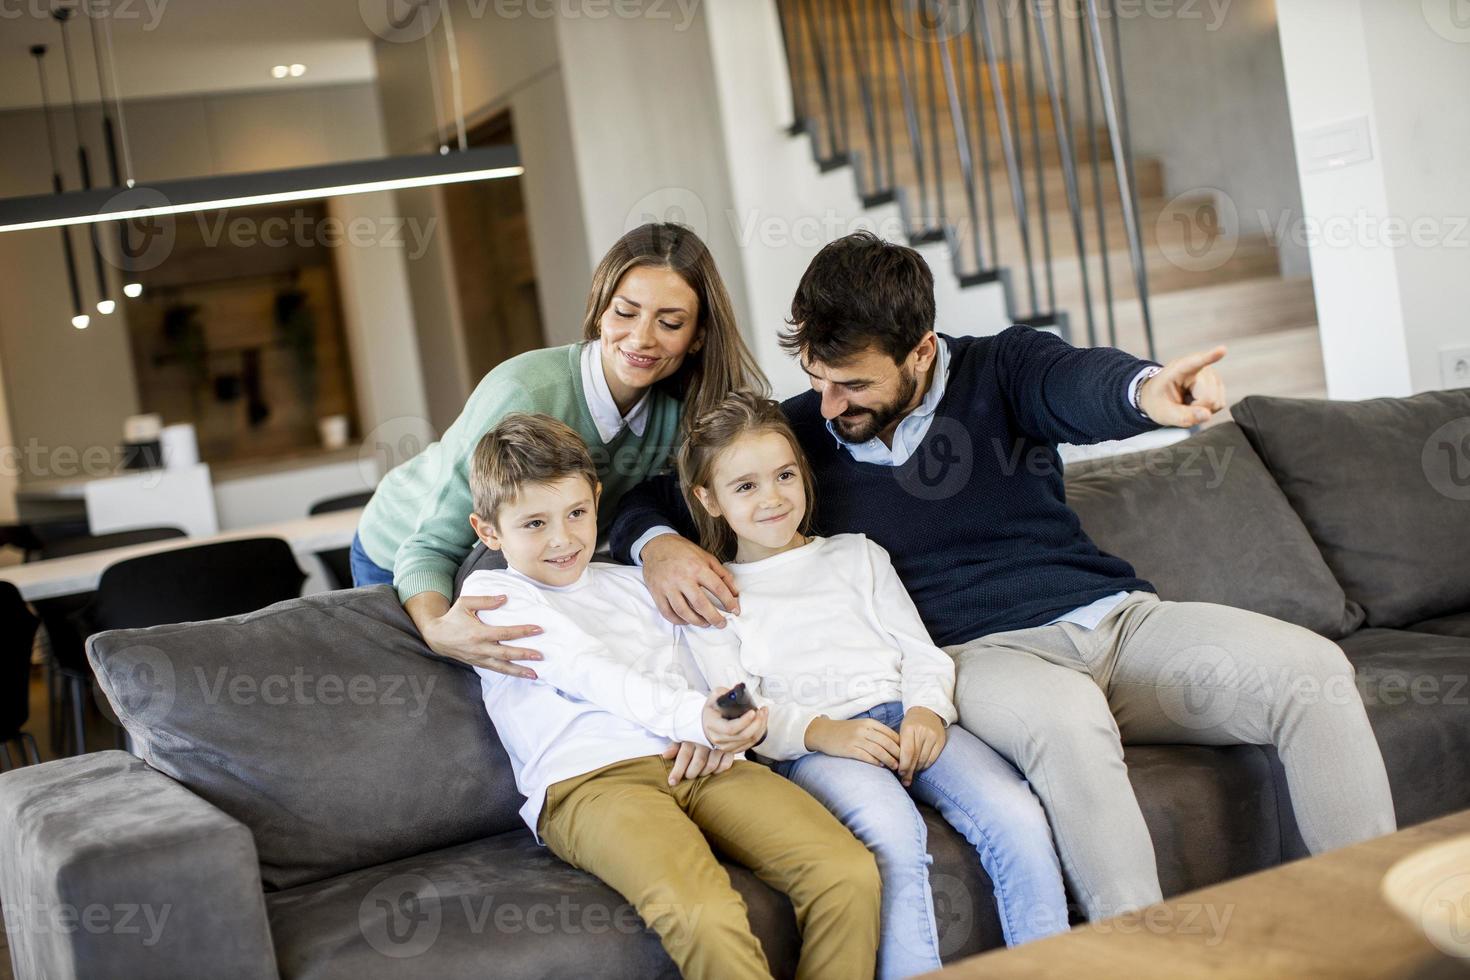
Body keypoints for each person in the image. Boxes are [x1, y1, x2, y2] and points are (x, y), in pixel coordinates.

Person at [610, 231, 1397, 922]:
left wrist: (1147, 392)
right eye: (817, 377)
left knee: (1314, 672)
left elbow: (1080, 383)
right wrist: (657, 544)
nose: (827, 402)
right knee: (1067, 722)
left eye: (852, 384)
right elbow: (655, 494)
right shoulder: (807, 432)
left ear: (919, 351)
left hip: (1118, 623)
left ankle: (1382, 927)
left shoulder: (1002, 369)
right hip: (986, 657)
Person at [460, 413, 880, 980]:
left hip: (701, 760)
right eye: (534, 523)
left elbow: (714, 660)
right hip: (593, 785)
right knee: (705, 913)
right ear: (489, 532)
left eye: (577, 513)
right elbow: (589, 670)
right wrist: (695, 719)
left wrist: (734, 720)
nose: (563, 539)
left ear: (597, 503)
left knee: (845, 870)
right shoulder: (493, 596)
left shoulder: (633, 580)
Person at [676, 391, 1068, 978]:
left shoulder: (858, 555)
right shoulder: (716, 597)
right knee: (890, 834)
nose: (774, 498)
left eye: (784, 475)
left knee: (1015, 813)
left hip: (906, 717)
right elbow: (740, 708)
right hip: (817, 748)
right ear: (708, 499)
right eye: (746, 486)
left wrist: (927, 712)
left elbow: (922, 654)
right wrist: (824, 732)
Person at [351, 222, 764, 680]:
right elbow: (430, 544)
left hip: (517, 556)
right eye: (625, 313)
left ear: (699, 336)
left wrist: (659, 544)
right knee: (435, 698)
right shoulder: (523, 391)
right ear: (600, 310)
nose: (642, 338)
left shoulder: (685, 410)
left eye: (669, 323)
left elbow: (651, 502)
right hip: (400, 550)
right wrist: (435, 628)